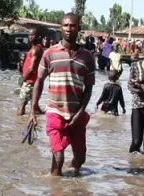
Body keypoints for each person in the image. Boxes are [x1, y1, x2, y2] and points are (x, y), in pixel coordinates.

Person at [30, 13, 95, 177]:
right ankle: (56, 194)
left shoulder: (87, 57)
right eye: (65, 25)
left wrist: (80, 113)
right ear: (60, 28)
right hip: (54, 111)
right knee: (58, 158)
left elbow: (88, 89)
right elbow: (39, 80)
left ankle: (73, 172)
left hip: (76, 112)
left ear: (78, 28)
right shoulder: (49, 53)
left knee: (80, 160)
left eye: (73, 25)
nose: (69, 29)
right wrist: (33, 110)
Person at [18, 29, 44, 116]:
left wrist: (23, 80)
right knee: (35, 107)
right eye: (29, 35)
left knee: (21, 106)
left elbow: (32, 68)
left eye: (33, 35)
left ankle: (18, 125)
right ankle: (39, 122)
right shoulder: (36, 48)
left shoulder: (35, 49)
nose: (30, 37)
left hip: (30, 81)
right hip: (35, 81)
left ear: (38, 36)